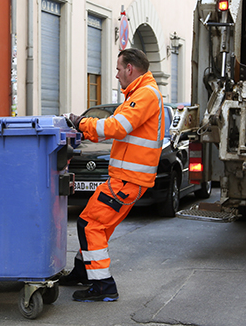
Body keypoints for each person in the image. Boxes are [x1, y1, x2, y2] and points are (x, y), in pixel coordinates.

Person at [60, 48, 164, 302]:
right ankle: (84, 271)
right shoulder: (140, 93)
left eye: (118, 69)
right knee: (94, 223)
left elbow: (116, 127)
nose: (116, 75)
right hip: (126, 179)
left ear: (130, 68)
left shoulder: (145, 95)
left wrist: (80, 122)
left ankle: (103, 285)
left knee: (90, 224)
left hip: (128, 180)